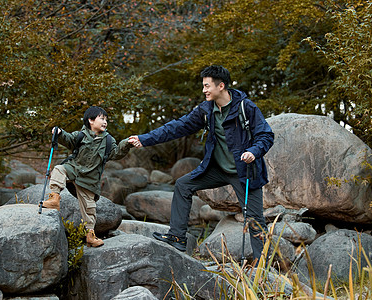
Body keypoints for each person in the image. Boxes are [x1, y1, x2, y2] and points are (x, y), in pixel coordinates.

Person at [128, 65, 274, 262]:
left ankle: (263, 267)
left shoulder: (245, 107)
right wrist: (145, 139)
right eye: (203, 86)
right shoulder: (206, 109)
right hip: (217, 168)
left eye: (207, 86)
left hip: (245, 171)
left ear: (220, 86)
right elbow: (177, 127)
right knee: (183, 184)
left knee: (255, 221)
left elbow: (266, 135)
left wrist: (253, 152)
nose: (204, 90)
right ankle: (177, 237)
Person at [42, 106, 133, 247]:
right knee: (59, 169)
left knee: (89, 208)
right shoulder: (80, 135)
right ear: (91, 120)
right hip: (74, 168)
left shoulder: (108, 141)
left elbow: (116, 153)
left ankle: (90, 235)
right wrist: (59, 133)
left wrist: (126, 143)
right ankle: (54, 198)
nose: (105, 122)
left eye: (106, 120)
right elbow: (68, 139)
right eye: (101, 118)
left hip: (90, 179)